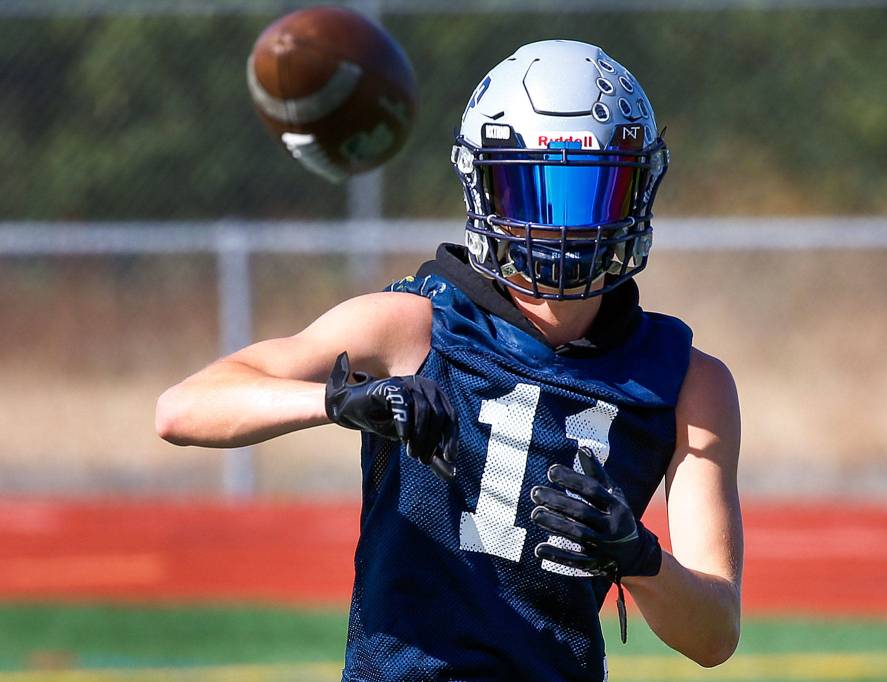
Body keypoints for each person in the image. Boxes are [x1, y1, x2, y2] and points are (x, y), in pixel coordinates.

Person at [156, 40, 742, 681]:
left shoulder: (686, 382)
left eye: (589, 192)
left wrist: (639, 558)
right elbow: (182, 409)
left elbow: (715, 635)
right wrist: (336, 401)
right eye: (532, 192)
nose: (560, 227)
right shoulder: (415, 325)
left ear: (635, 193)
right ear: (485, 188)